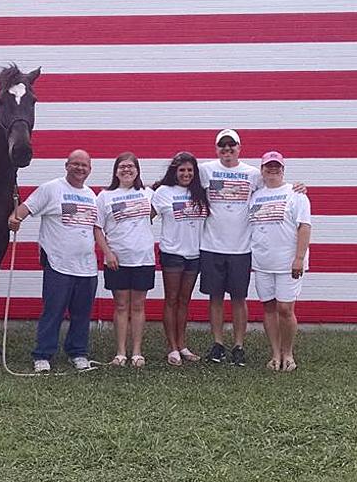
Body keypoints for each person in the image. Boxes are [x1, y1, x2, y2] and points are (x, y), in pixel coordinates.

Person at [8, 149, 98, 373]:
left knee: (81, 313)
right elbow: (23, 210)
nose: (79, 168)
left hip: (87, 266)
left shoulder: (91, 195)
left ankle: (78, 352)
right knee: (53, 310)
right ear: (66, 165)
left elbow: (96, 228)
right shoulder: (51, 189)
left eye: (84, 165)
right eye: (75, 164)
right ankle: (43, 355)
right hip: (58, 263)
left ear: (90, 170)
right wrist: (14, 218)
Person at [198, 129, 260, 366]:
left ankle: (238, 345)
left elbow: (276, 186)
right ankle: (218, 344)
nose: (227, 150)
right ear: (216, 149)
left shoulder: (253, 174)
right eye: (222, 146)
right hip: (212, 245)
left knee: (238, 298)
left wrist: (297, 188)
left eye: (231, 145)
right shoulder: (206, 170)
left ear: (239, 147)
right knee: (215, 297)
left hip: (241, 247)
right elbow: (180, 178)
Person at [248, 151, 312, 372]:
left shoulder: (296, 194)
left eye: (277, 166)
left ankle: (288, 352)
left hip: (288, 263)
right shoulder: (255, 195)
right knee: (268, 307)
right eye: (268, 166)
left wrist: (299, 258)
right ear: (262, 170)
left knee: (285, 308)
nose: (272, 170)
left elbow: (304, 227)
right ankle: (275, 353)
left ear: (283, 169)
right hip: (262, 262)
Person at [94, 152, 156, 368]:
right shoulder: (104, 196)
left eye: (131, 166)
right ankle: (120, 352)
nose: (127, 170)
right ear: (116, 171)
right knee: (121, 306)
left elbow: (162, 209)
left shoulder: (148, 193)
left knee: (138, 306)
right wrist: (107, 253)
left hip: (143, 258)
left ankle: (137, 352)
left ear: (137, 170)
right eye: (122, 167)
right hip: (116, 260)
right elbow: (98, 228)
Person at [151, 152, 209, 366]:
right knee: (172, 299)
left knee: (185, 301)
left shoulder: (201, 193)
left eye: (190, 170)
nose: (186, 174)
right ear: (174, 172)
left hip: (195, 254)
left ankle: (182, 345)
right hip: (172, 253)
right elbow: (145, 216)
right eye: (182, 170)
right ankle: (172, 347)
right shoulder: (163, 192)